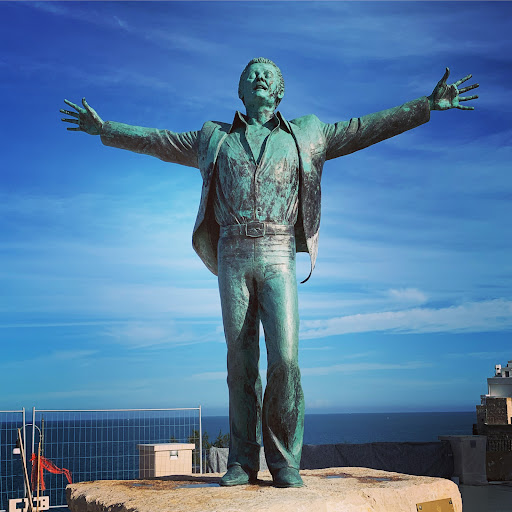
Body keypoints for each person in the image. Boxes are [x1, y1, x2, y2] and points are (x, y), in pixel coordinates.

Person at [60, 57, 478, 488]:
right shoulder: (214, 137)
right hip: (233, 252)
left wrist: (425, 106)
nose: (259, 77)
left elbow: (362, 129)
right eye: (251, 74)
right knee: (240, 361)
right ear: (240, 91)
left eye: (269, 75)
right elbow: (159, 141)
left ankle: (284, 461)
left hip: (279, 251)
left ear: (279, 92)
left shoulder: (307, 133)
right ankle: (242, 461)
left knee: (286, 359)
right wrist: (106, 129)